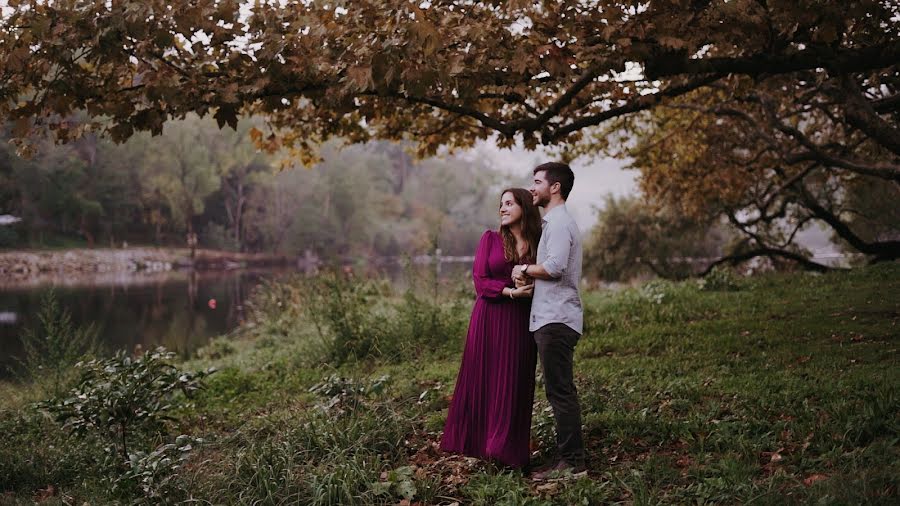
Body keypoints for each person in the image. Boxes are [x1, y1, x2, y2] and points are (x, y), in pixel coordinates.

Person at [440, 188, 543, 468]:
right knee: (485, 377)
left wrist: (529, 288)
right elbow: (480, 280)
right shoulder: (491, 239)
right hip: (489, 315)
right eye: (501, 204)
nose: (503, 208)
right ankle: (480, 445)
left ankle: (508, 450)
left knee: (515, 381)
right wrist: (510, 292)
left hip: (521, 321)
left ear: (524, 206)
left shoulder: (539, 242)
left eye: (509, 203)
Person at [512, 162, 587, 479]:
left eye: (537, 181)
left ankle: (572, 464)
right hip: (553, 316)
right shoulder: (555, 223)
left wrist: (524, 269)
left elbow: (554, 267)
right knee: (559, 390)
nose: (532, 187)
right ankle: (569, 459)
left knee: (560, 392)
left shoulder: (557, 224)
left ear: (554, 187)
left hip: (556, 320)